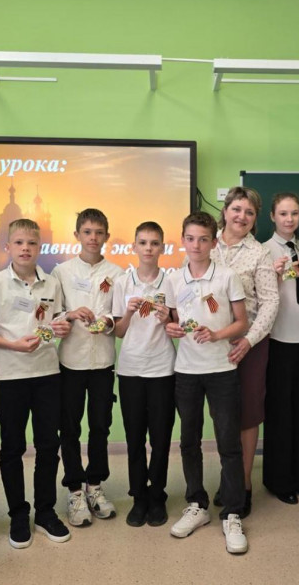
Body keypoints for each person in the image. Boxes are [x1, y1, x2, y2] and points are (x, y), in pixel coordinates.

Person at [0, 218, 71, 548]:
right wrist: (13, 345)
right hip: (11, 377)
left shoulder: (52, 284)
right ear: (7, 246)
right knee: (12, 448)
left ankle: (45, 511)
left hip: (47, 375)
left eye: (31, 243)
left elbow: (57, 321)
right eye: (18, 242)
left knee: (48, 446)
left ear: (40, 247)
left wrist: (62, 327)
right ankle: (18, 514)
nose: (25, 248)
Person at [165, 211, 249, 554]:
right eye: (190, 238)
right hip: (186, 371)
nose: (196, 245)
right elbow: (173, 320)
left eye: (203, 239)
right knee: (189, 441)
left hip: (221, 369)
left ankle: (232, 512)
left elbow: (242, 322)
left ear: (214, 243)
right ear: (182, 240)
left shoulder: (227, 276)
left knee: (228, 442)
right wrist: (171, 328)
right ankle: (197, 504)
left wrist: (216, 334)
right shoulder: (173, 278)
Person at [52, 208, 124, 527]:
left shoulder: (118, 273)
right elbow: (52, 313)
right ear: (77, 235)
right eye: (87, 232)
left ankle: (94, 486)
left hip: (103, 362)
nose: (93, 238)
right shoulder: (61, 272)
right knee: (69, 428)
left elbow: (119, 316)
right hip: (70, 361)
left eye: (98, 232)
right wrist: (69, 314)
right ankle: (74, 490)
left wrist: (108, 321)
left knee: (100, 426)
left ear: (107, 236)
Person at [212, 186, 280, 517]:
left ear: (255, 219)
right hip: (213, 344)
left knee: (248, 415)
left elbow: (270, 301)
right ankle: (228, 479)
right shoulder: (205, 244)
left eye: (249, 212)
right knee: (222, 416)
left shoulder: (259, 253)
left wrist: (249, 340)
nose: (242, 216)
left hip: (250, 344)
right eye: (237, 209)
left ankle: (244, 483)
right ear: (225, 211)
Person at [112, 221, 175, 528]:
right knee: (135, 437)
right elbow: (119, 331)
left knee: (161, 437)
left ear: (162, 247)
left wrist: (167, 319)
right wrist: (128, 312)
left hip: (163, 368)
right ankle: (139, 496)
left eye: (154, 243)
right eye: (143, 242)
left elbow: (178, 326)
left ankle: (157, 495)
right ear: (134, 247)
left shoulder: (171, 281)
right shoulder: (122, 282)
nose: (149, 248)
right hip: (131, 369)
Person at [262, 193, 299, 505]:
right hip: (277, 340)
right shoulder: (264, 251)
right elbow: (258, 297)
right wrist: (271, 274)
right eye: (283, 214)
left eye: (294, 214)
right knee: (280, 414)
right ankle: (279, 480)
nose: (289, 219)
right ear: (272, 216)